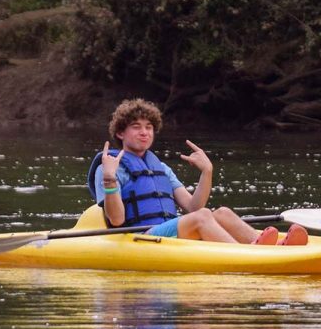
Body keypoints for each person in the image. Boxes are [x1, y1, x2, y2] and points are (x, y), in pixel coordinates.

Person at [88, 98, 307, 245]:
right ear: (120, 133)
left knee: (221, 212)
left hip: (168, 234)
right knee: (202, 217)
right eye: (136, 127)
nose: (144, 132)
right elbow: (116, 221)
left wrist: (207, 173)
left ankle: (274, 246)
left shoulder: (161, 168)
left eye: (149, 127)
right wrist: (109, 179)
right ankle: (247, 255)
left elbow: (192, 206)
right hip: (140, 238)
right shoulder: (108, 168)